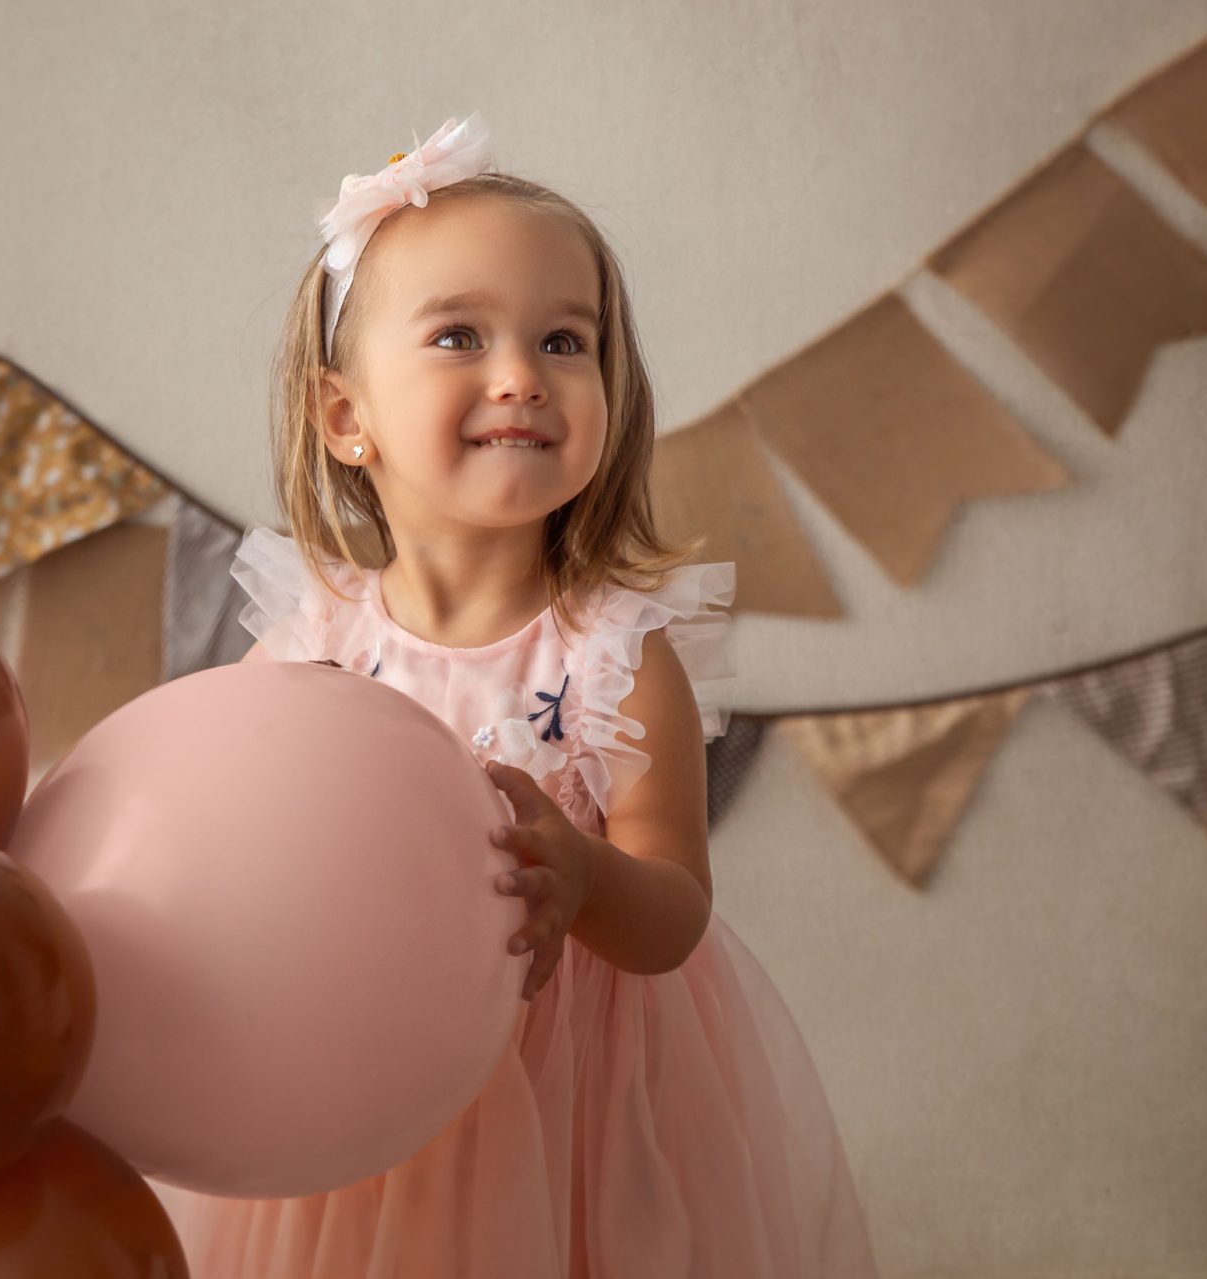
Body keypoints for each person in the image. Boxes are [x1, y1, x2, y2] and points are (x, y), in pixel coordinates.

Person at [157, 113, 879, 1278]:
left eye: (564, 340)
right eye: (459, 335)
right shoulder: (311, 650)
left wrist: (584, 875)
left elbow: (676, 912)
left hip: (572, 1106)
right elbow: (229, 855)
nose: (521, 377)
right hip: (366, 1092)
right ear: (345, 417)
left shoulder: (613, 655)